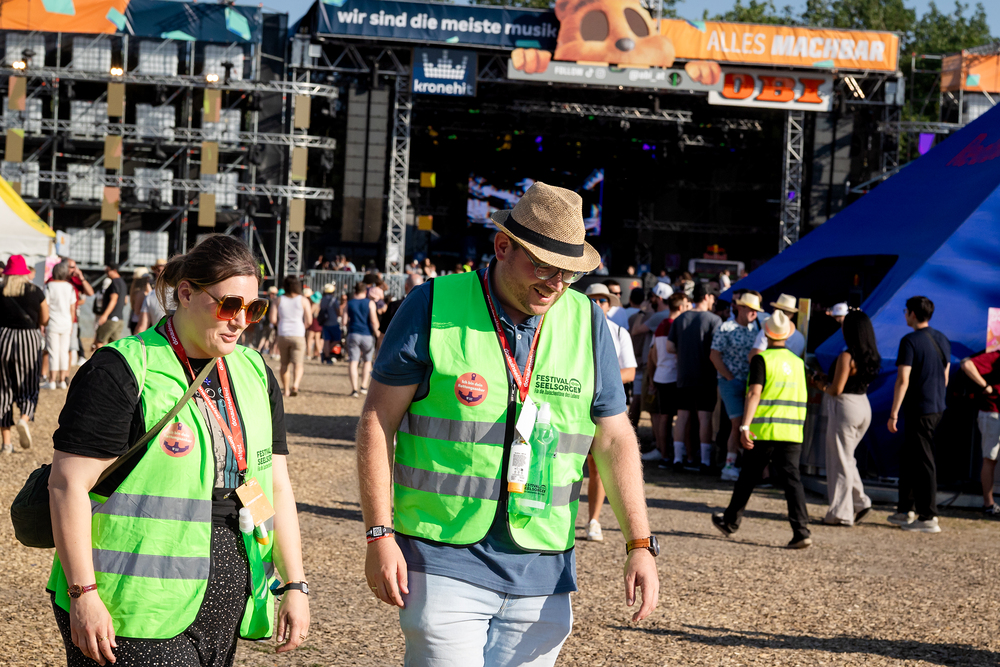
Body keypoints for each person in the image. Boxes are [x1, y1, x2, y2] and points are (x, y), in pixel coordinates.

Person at [357, 182, 659, 666]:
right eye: (543, 266)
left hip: (544, 569)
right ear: (502, 247)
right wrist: (379, 533)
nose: (556, 283)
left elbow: (615, 437)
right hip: (442, 555)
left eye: (569, 272)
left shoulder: (587, 321)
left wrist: (639, 543)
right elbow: (377, 420)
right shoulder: (432, 304)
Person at [47, 234, 309, 666]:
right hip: (128, 605)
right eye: (229, 305)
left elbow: (273, 486)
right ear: (185, 293)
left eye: (253, 309)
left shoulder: (256, 372)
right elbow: (67, 485)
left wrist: (295, 584)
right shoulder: (123, 367)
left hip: (226, 600)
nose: (240, 321)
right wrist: (83, 594)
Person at [712, 310, 813, 549]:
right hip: (792, 431)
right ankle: (801, 531)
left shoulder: (762, 360)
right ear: (787, 334)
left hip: (765, 429)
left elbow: (754, 393)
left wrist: (745, 425)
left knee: (748, 476)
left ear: (766, 333)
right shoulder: (798, 363)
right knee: (792, 481)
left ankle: (730, 521)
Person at [887, 296, 950, 533]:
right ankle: (906, 508)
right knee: (911, 456)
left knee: (923, 460)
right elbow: (945, 375)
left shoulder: (910, 341)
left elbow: (903, 379)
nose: (905, 315)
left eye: (906, 311)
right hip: (936, 405)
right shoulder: (942, 338)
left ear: (912, 313)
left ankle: (928, 516)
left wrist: (894, 412)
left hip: (919, 408)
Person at [812, 311, 880, 525]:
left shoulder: (846, 356)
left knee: (839, 460)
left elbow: (836, 389)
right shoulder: (870, 355)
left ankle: (840, 513)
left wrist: (820, 385)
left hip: (845, 407)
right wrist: (827, 379)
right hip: (863, 405)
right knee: (846, 457)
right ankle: (860, 501)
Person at [583, 283, 636, 542]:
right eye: (592, 299)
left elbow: (630, 371)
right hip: (574, 402)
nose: (597, 304)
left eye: (602, 300)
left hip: (604, 407)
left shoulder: (619, 332)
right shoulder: (573, 327)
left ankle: (593, 520)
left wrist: (599, 380)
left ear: (609, 305)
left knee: (597, 467)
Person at [667, 283, 722, 473]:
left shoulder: (680, 319)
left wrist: (684, 351)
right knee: (704, 418)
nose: (713, 301)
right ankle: (705, 461)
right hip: (706, 376)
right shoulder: (714, 320)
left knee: (681, 417)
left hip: (683, 375)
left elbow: (669, 347)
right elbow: (717, 349)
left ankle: (677, 458)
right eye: (713, 297)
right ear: (706, 297)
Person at [710, 291, 764, 481]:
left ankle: (739, 463)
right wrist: (729, 377)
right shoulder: (726, 328)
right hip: (730, 383)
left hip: (748, 383)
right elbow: (714, 355)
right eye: (751, 309)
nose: (754, 314)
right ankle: (729, 465)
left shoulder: (755, 329)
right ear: (740, 308)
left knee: (744, 423)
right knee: (738, 423)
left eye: (756, 311)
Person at [0, 255, 48, 452]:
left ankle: (6, 444)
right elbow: (44, 319)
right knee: (29, 383)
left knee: (3, 389)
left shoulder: (1, 290)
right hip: (28, 339)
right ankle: (24, 418)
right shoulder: (36, 291)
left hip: (3, 338)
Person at [644, 292, 691, 467]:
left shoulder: (661, 325)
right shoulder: (677, 325)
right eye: (686, 305)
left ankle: (664, 455)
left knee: (664, 417)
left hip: (661, 375)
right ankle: (682, 453)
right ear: (680, 307)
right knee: (683, 417)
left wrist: (653, 375)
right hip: (674, 376)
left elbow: (653, 353)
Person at [960, 346, 1000, 515]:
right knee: (990, 458)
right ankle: (988, 503)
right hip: (992, 413)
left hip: (993, 413)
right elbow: (966, 364)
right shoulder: (995, 356)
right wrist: (986, 386)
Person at [271, 276, 312, 397]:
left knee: (284, 364)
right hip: (298, 334)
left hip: (283, 333)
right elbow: (309, 320)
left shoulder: (278, 300)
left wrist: (280, 325)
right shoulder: (303, 300)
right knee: (298, 363)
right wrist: (302, 327)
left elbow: (273, 319)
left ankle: (286, 390)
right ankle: (295, 385)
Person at [45, 261, 77, 390]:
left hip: (52, 322)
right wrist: (71, 323)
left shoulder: (49, 286)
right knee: (64, 351)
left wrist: (42, 324)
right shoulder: (69, 287)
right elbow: (72, 308)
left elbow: (45, 306)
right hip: (66, 322)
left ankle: (52, 380)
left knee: (53, 351)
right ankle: (62, 380)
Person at [345, 281, 380, 398]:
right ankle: (364, 386)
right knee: (367, 361)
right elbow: (374, 321)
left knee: (353, 361)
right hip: (367, 335)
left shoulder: (349, 303)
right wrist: (378, 334)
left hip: (353, 334)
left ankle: (354, 389)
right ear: (365, 291)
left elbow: (344, 321)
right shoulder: (370, 303)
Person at [750, 294, 805, 359]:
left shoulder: (768, 330)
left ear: (775, 310)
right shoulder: (800, 338)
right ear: (792, 314)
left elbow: (753, 357)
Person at [93, 264, 127, 350]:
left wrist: (104, 315)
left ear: (114, 270)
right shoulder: (123, 283)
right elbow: (125, 301)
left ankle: (100, 359)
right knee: (115, 346)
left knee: (99, 342)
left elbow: (113, 300)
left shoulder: (114, 283)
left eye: (107, 271)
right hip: (119, 319)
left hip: (110, 318)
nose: (106, 273)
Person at [135, 259, 169, 334]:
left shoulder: (151, 295)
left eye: (159, 270)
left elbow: (142, 327)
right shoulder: (151, 294)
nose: (157, 273)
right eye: (156, 270)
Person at [318, 283, 343, 364]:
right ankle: (326, 353)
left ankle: (326, 355)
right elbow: (338, 312)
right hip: (334, 323)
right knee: (337, 339)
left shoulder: (322, 299)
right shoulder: (334, 299)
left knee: (326, 340)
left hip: (325, 323)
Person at [128, 267, 151, 334]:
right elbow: (137, 311)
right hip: (139, 323)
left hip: (137, 322)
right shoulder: (140, 293)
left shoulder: (137, 290)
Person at [303, 286, 323, 361]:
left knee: (309, 339)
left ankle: (308, 354)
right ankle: (319, 355)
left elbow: (309, 313)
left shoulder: (314, 304)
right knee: (317, 340)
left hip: (313, 322)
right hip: (319, 323)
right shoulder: (320, 304)